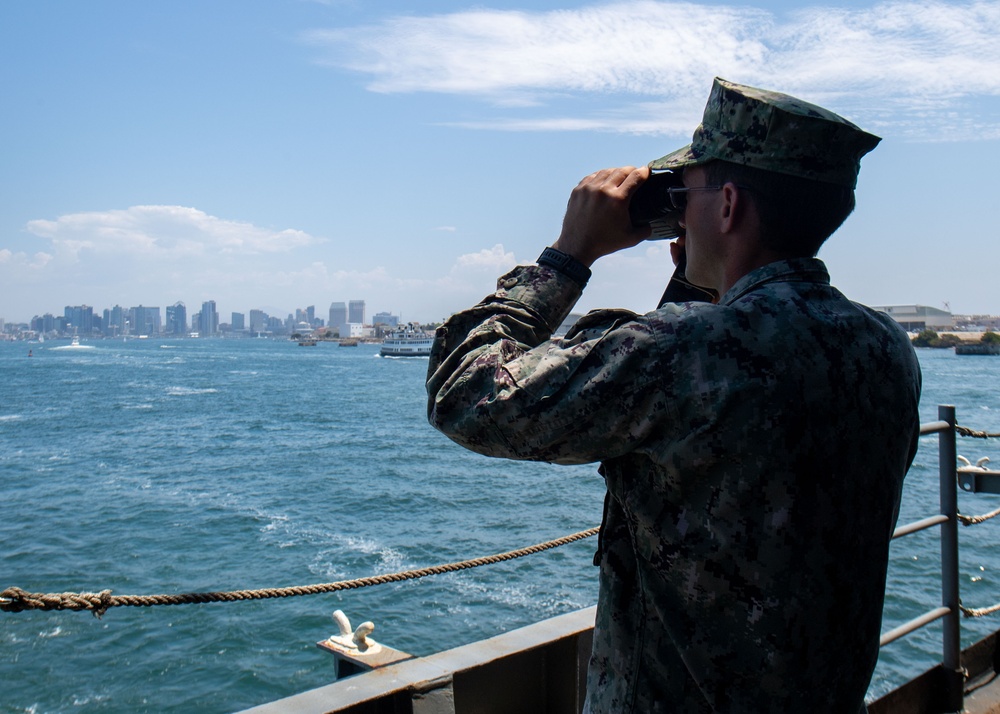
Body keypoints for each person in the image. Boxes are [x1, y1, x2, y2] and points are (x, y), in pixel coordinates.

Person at [426, 78, 922, 713]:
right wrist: (699, 274)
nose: (679, 212)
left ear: (729, 204)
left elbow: (465, 395)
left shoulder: (683, 351)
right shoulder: (884, 346)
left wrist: (567, 256)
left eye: (687, 196)